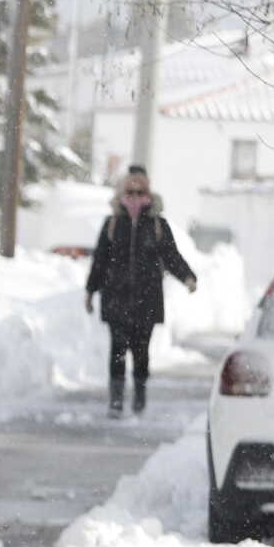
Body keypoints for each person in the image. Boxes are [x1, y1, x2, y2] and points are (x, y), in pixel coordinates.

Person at [84, 165, 198, 418]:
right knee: (117, 351)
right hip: (116, 297)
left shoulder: (157, 224)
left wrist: (187, 277)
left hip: (146, 299)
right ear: (124, 192)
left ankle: (139, 395)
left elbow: (170, 255)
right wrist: (90, 290)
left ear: (147, 192)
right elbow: (100, 260)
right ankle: (115, 400)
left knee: (141, 352)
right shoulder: (112, 223)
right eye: (130, 191)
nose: (135, 196)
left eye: (139, 191)